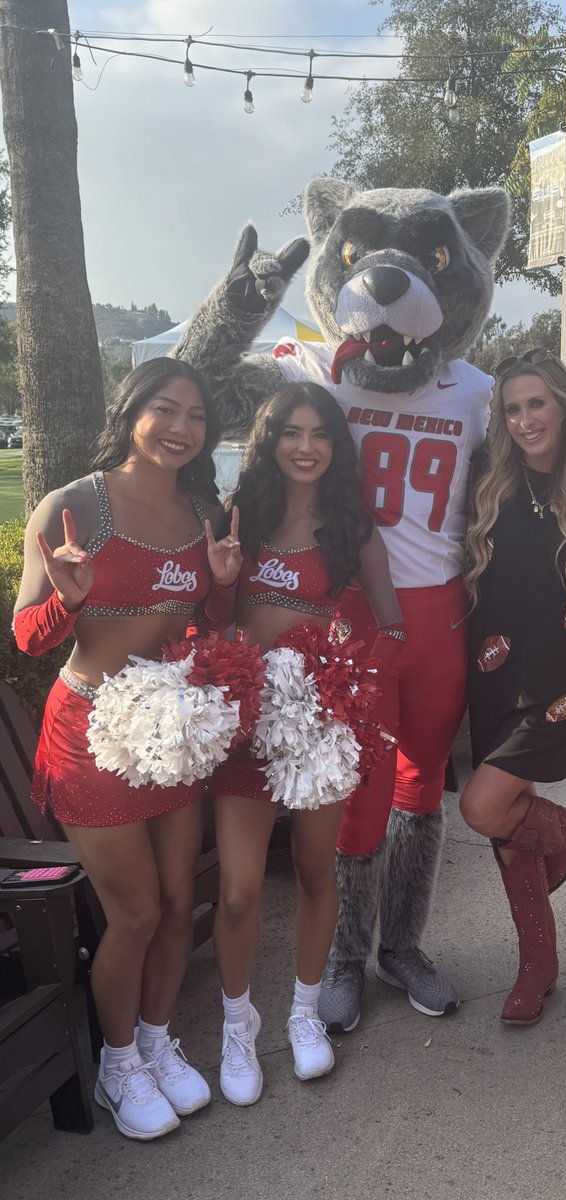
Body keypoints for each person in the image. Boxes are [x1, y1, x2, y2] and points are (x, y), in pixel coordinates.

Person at [14, 358, 240, 1141]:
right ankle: (117, 1065)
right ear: (133, 411)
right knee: (136, 912)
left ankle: (153, 1038)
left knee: (180, 905)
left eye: (196, 417)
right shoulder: (76, 504)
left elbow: (203, 623)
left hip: (169, 732)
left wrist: (216, 589)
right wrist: (65, 602)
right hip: (91, 736)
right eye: (165, 410)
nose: (181, 429)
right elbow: (25, 635)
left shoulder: (204, 510)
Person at [208, 381, 403, 1104]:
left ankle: (303, 1013)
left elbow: (390, 623)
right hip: (244, 723)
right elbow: (213, 614)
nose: (305, 446)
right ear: (270, 440)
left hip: (317, 724)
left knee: (319, 871)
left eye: (319, 433)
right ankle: (237, 1028)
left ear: (335, 447)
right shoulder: (241, 518)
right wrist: (225, 587)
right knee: (238, 891)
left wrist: (349, 681)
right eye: (291, 432)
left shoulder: (351, 529)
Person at [460, 351, 566, 1025]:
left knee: (483, 805)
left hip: (563, 674)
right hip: (492, 668)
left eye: (536, 404)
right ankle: (537, 967)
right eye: (512, 408)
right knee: (504, 830)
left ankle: (564, 826)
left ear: (563, 407)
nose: (524, 420)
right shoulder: (488, 481)